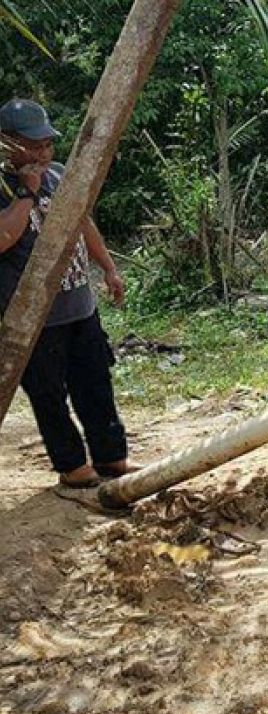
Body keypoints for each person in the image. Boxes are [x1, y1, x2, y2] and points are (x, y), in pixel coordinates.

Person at [0, 99, 137, 488]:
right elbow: (4, 237)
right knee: (49, 396)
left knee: (95, 384)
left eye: (47, 144)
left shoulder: (58, 176)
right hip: (33, 320)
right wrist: (25, 194)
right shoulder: (3, 186)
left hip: (79, 306)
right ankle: (74, 468)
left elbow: (83, 223)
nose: (43, 153)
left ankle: (112, 459)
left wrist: (109, 268)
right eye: (34, 145)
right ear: (7, 143)